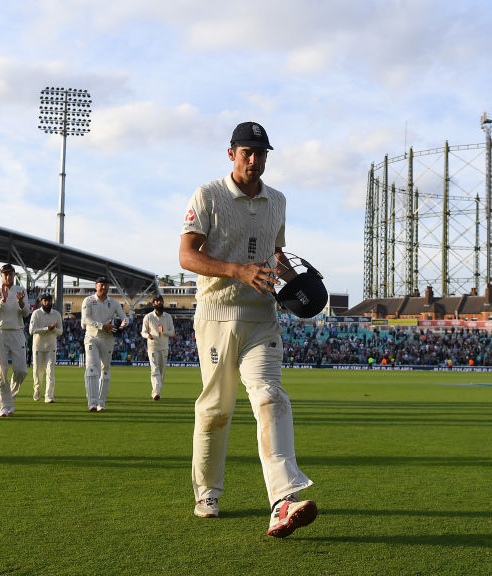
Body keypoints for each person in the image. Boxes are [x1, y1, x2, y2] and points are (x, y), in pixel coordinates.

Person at [178, 121, 316, 538]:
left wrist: (298, 283)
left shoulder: (278, 201)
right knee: (217, 410)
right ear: (231, 154)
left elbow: (275, 256)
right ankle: (206, 493)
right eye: (247, 153)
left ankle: (283, 500)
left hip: (261, 317)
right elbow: (186, 255)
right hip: (217, 315)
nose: (254, 161)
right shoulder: (208, 195)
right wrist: (236, 270)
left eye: (261, 154)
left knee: (270, 396)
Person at [81, 275, 128, 412]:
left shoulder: (113, 303)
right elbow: (85, 319)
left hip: (107, 339)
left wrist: (124, 323)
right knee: (91, 367)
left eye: (106, 285)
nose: (104, 287)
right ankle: (92, 403)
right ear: (96, 286)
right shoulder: (88, 300)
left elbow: (125, 317)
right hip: (92, 337)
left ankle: (101, 403)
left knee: (105, 369)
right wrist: (102, 326)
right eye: (101, 284)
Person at [0, 263, 30, 417]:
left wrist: (21, 303)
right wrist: (3, 301)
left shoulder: (21, 290)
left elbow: (26, 313)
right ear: (1, 275)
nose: (8, 276)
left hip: (17, 333)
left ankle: (9, 396)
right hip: (0, 333)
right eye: (5, 274)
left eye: (10, 274)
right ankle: (4, 406)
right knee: (1, 371)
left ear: (14, 275)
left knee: (21, 371)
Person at [29, 292, 63, 403]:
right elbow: (31, 331)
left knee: (50, 372)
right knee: (37, 372)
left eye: (49, 300)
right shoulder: (36, 313)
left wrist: (53, 330)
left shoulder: (56, 314)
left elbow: (60, 331)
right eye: (45, 300)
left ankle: (49, 395)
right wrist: (46, 329)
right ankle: (37, 391)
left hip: (51, 347)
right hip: (38, 347)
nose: (47, 303)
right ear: (41, 302)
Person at [141, 294, 175, 400]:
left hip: (164, 347)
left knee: (162, 371)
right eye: (157, 301)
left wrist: (163, 331)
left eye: (161, 301)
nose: (159, 302)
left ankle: (158, 391)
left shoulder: (168, 317)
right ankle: (155, 393)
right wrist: (148, 335)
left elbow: (172, 332)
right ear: (153, 304)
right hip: (153, 347)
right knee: (154, 369)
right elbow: (143, 332)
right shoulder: (148, 317)